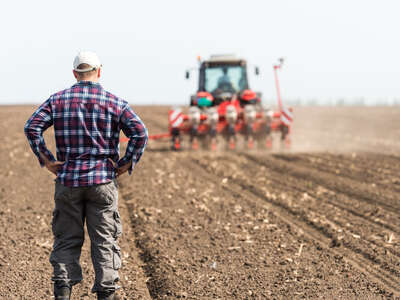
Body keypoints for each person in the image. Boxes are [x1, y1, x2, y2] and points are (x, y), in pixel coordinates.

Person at [24, 51, 148, 300]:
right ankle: (106, 294)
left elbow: (32, 126)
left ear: (74, 74)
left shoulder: (58, 100)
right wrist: (125, 163)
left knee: (66, 239)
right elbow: (140, 133)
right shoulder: (114, 102)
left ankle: (63, 293)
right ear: (99, 71)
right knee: (104, 240)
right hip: (102, 181)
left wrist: (47, 159)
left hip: (68, 181)